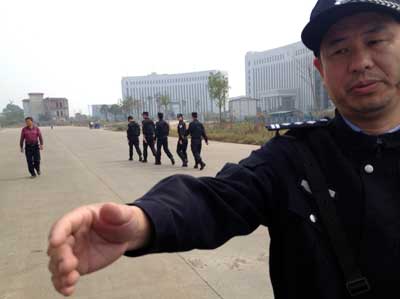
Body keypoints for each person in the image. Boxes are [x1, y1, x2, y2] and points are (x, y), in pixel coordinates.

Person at [47, 0, 400, 298]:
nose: (360, 62)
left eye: (376, 41)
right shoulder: (294, 158)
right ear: (321, 69)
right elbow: (218, 197)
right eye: (340, 49)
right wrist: (142, 221)